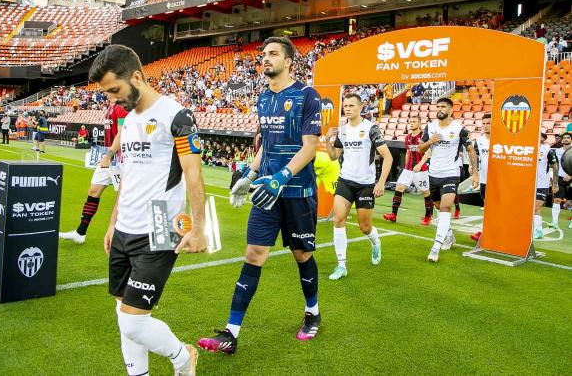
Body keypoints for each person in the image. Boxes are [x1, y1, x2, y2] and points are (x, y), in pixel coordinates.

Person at [198, 36, 322, 352]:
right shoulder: (264, 98)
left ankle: (312, 313)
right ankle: (231, 333)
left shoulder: (308, 95)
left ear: (289, 61)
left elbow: (310, 146)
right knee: (254, 254)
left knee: (302, 255)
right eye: (263, 54)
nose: (265, 59)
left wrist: (281, 177)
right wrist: (250, 174)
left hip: (297, 192)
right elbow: (265, 144)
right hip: (266, 191)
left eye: (273, 54)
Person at [90, 45, 205, 376]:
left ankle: (183, 356)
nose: (112, 99)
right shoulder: (128, 122)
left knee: (133, 321)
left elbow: (193, 174)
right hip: (125, 229)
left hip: (161, 227)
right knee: (123, 312)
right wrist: (113, 223)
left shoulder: (177, 115)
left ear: (136, 77)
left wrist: (197, 227)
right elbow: (128, 178)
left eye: (115, 90)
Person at [325, 93, 393, 280]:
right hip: (346, 181)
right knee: (338, 219)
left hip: (365, 185)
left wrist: (380, 183)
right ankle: (341, 266)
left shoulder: (371, 129)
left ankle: (375, 242)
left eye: (351, 106)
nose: (347, 109)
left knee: (364, 227)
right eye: (345, 106)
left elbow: (388, 157)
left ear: (361, 107)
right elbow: (333, 156)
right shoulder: (343, 130)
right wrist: (327, 141)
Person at [418, 97, 478, 262]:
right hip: (433, 174)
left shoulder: (459, 129)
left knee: (445, 208)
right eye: (438, 106)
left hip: (451, 173)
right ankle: (450, 236)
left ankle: (435, 247)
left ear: (451, 110)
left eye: (443, 106)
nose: (439, 109)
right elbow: (420, 148)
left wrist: (475, 173)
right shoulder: (430, 127)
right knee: (438, 207)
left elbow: (471, 151)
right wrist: (431, 141)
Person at [59, 103, 128, 244]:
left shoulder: (121, 106)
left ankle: (128, 233)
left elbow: (122, 134)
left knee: (125, 197)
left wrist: (110, 155)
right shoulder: (110, 106)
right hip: (107, 154)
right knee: (93, 191)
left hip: (118, 157)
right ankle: (80, 233)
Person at [383, 116, 433, 224]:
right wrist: (405, 167)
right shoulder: (408, 137)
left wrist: (419, 164)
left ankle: (428, 215)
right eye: (410, 122)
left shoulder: (423, 137)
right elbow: (408, 152)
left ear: (420, 124)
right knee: (399, 187)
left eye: (414, 122)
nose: (411, 123)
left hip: (421, 170)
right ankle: (393, 214)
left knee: (426, 192)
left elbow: (428, 152)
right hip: (408, 169)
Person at [532, 133, 559, 239]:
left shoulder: (548, 150)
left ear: (544, 139)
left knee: (537, 207)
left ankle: (538, 231)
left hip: (541, 184)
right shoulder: (527, 148)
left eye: (541, 136)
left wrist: (555, 183)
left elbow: (554, 166)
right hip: (527, 184)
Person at [470, 114, 491, 242]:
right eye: (483, 124)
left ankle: (484, 231)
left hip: (499, 178)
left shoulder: (501, 139)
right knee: (486, 205)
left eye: (488, 123)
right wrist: (473, 169)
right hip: (484, 178)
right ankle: (485, 231)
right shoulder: (479, 140)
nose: (485, 126)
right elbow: (476, 156)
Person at [552, 132, 572, 229]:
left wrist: (570, 175)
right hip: (560, 178)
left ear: (571, 139)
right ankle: (554, 222)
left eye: (568, 138)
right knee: (557, 200)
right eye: (564, 138)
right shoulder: (556, 151)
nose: (566, 139)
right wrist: (554, 181)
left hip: (571, 178)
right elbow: (555, 166)